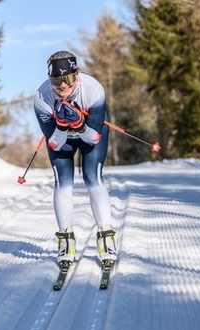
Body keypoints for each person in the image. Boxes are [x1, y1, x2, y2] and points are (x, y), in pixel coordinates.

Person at [33, 50, 117, 265]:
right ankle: (66, 240)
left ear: (77, 75)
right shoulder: (42, 99)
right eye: (56, 80)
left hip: (90, 133)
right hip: (62, 138)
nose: (63, 85)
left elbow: (93, 138)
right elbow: (54, 143)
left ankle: (106, 236)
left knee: (92, 177)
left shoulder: (93, 90)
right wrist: (62, 125)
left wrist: (79, 124)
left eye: (68, 78)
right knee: (63, 183)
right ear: (49, 78)